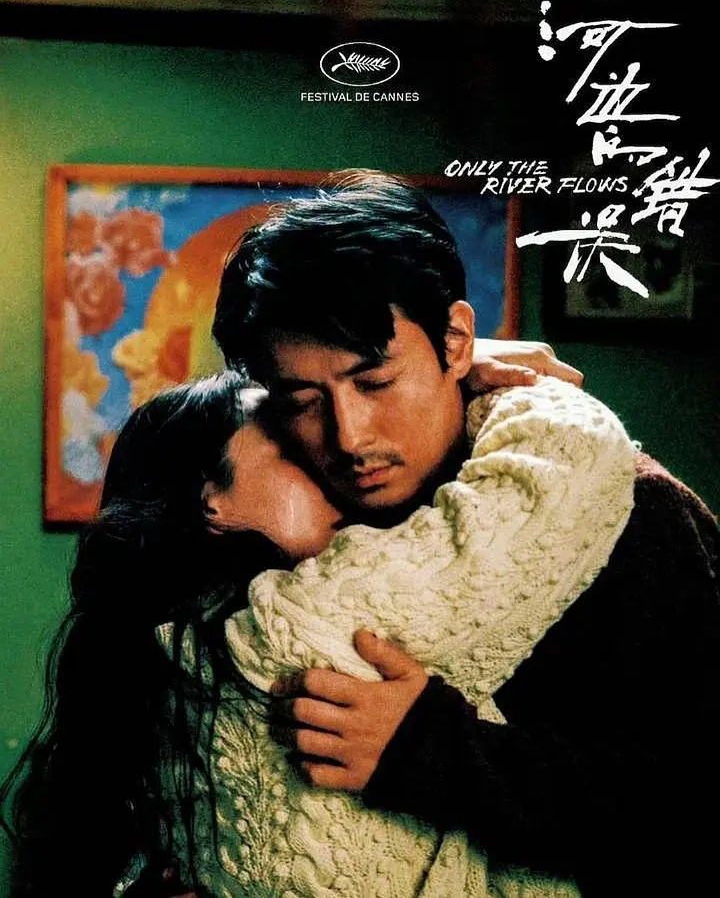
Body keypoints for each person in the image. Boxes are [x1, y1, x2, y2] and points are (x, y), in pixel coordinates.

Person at [211, 169, 720, 896]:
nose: (349, 437)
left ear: (455, 343)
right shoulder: (296, 520)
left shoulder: (631, 514)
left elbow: (692, 809)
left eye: (375, 382)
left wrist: (435, 752)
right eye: (303, 400)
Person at [0, 365, 636, 898]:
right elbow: (564, 465)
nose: (335, 462)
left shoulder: (166, 648)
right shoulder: (297, 621)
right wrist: (459, 374)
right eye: (291, 451)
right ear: (209, 501)